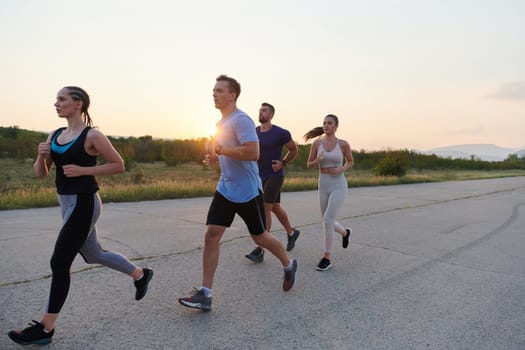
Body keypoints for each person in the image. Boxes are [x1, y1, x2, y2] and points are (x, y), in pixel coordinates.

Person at [8, 86, 153, 346]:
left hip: (86, 203)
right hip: (66, 203)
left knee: (59, 262)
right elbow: (41, 174)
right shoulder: (55, 135)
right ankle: (140, 274)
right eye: (56, 99)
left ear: (78, 104)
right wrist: (41, 157)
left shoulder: (92, 135)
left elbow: (118, 165)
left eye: (62, 99)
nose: (56, 103)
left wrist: (85, 171)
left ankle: (45, 328)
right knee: (94, 253)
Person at [178, 75, 298, 311]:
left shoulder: (241, 120)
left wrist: (221, 148)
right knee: (212, 234)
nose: (214, 94)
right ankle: (206, 293)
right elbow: (229, 153)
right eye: (213, 90)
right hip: (226, 186)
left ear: (232, 95)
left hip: (247, 190)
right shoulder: (220, 124)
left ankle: (288, 263)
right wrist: (215, 156)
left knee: (259, 236)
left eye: (219, 90)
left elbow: (253, 152)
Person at [245, 102, 300, 263]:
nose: (261, 113)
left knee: (265, 208)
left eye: (264, 110)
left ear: (271, 114)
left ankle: (261, 249)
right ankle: (291, 232)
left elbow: (294, 149)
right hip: (258, 176)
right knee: (274, 207)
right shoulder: (253, 132)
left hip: (275, 175)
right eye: (260, 110)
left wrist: (283, 162)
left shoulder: (281, 133)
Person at [304, 114, 354, 271]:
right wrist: (317, 161)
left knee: (328, 220)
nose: (326, 126)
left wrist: (342, 168)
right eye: (324, 123)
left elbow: (351, 161)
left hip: (338, 184)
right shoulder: (317, 143)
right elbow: (308, 165)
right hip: (323, 183)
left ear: (336, 126)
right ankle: (345, 233)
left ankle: (327, 257)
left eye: (329, 123)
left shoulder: (343, 144)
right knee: (327, 220)